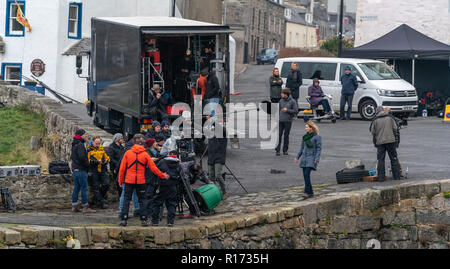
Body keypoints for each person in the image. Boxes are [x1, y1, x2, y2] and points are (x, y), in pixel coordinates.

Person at [118, 134, 169, 227]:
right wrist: (163, 175)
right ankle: (143, 219)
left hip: (129, 180)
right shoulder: (145, 154)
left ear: (134, 142)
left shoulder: (128, 153)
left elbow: (122, 169)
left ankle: (124, 219)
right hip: (141, 181)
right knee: (143, 200)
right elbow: (153, 168)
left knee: (126, 199)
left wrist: (120, 180)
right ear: (142, 144)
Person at [151, 152, 182, 227]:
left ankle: (155, 221)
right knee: (172, 203)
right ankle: (170, 221)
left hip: (162, 185)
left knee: (157, 202)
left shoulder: (162, 162)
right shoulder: (178, 164)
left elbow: (155, 171)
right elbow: (180, 175)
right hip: (173, 186)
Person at [370, 106, 401, 182]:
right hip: (391, 141)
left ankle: (381, 178)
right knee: (393, 158)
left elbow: (372, 131)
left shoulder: (375, 119)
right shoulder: (390, 117)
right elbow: (395, 128)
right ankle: (397, 176)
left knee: (380, 159)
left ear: (377, 112)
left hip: (380, 142)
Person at [294, 121, 322, 200]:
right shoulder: (305, 137)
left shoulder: (317, 137)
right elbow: (302, 148)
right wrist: (297, 157)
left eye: (307, 127)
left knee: (306, 174)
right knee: (305, 176)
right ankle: (311, 192)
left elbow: (319, 149)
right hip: (304, 159)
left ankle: (306, 192)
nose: (305, 128)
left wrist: (316, 159)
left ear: (311, 128)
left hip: (311, 158)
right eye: (305, 127)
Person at [71, 129, 96, 213]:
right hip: (81, 169)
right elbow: (82, 157)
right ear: (81, 135)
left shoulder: (74, 144)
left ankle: (74, 206)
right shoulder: (80, 145)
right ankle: (85, 206)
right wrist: (87, 165)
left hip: (75, 169)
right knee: (84, 188)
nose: (86, 136)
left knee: (76, 188)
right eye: (85, 134)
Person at [87, 137, 110, 209]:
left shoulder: (102, 149)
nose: (97, 145)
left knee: (106, 184)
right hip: (94, 171)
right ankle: (100, 203)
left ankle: (99, 199)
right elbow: (88, 161)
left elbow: (107, 158)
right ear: (93, 142)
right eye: (96, 143)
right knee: (95, 187)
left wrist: (105, 161)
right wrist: (97, 162)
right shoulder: (89, 150)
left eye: (99, 143)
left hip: (102, 170)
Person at [276, 89, 298, 156]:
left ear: (286, 94)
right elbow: (278, 110)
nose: (281, 95)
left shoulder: (292, 101)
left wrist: (287, 110)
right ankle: (277, 150)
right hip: (280, 121)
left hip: (288, 121)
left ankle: (285, 150)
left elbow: (295, 110)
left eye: (282, 93)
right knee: (279, 135)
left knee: (286, 135)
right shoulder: (281, 100)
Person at [207, 131, 228, 199]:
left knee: (218, 175)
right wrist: (192, 123)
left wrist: (214, 121)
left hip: (219, 157)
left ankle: (224, 192)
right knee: (211, 176)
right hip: (211, 157)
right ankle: (214, 193)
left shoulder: (223, 134)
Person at [107, 133, 125, 197]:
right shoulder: (111, 147)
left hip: (121, 166)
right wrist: (118, 164)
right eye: (121, 138)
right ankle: (121, 196)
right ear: (117, 139)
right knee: (118, 182)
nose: (123, 139)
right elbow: (110, 158)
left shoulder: (121, 147)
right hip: (115, 167)